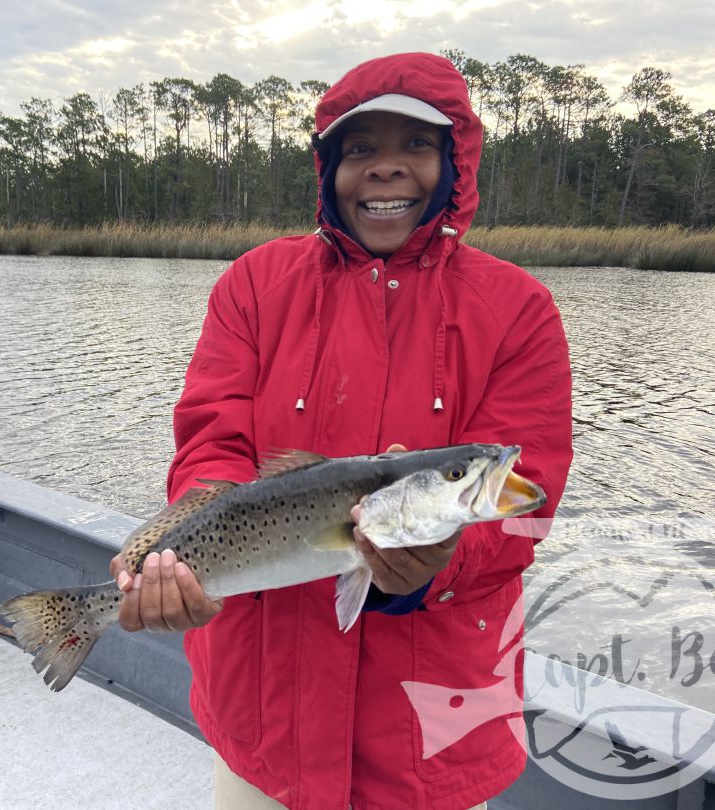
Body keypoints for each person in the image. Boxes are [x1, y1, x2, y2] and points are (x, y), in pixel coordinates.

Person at [110, 52, 573, 810]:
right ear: (329, 170)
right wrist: (176, 552)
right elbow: (212, 444)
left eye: (415, 146)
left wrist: (441, 562)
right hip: (265, 716)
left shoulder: (519, 309)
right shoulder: (254, 285)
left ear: (454, 161)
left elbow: (527, 505)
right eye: (361, 149)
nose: (386, 170)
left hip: (435, 727)